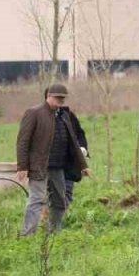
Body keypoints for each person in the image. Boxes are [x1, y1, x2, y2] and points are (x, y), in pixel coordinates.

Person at [16, 83, 90, 237]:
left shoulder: (64, 115)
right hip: (39, 166)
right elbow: (23, 141)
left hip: (58, 167)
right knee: (37, 200)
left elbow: (73, 141)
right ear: (48, 96)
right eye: (58, 97)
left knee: (60, 202)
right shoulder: (34, 113)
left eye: (63, 98)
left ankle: (52, 234)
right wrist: (22, 166)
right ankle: (27, 236)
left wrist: (83, 165)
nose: (61, 100)